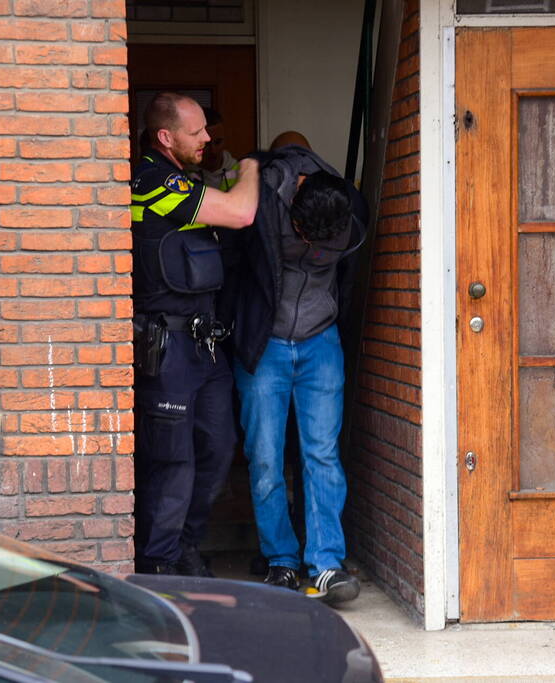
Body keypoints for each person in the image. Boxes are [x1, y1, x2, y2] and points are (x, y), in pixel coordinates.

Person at [227, 134, 367, 604]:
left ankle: (326, 564)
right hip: (264, 342)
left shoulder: (349, 210)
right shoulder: (263, 199)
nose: (310, 245)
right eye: (302, 237)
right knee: (265, 455)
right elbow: (231, 262)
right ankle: (281, 560)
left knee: (321, 454)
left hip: (320, 341)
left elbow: (348, 281)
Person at [131, 92, 259, 577]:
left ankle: (184, 545)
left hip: (204, 347)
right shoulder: (151, 181)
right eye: (196, 131)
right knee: (173, 460)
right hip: (167, 347)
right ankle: (160, 564)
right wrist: (251, 167)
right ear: (166, 136)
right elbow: (242, 212)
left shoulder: (183, 179)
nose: (208, 138)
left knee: (218, 448)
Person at [188, 107, 241, 192]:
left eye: (218, 142)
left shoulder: (240, 172)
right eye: (206, 144)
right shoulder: (183, 175)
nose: (213, 150)